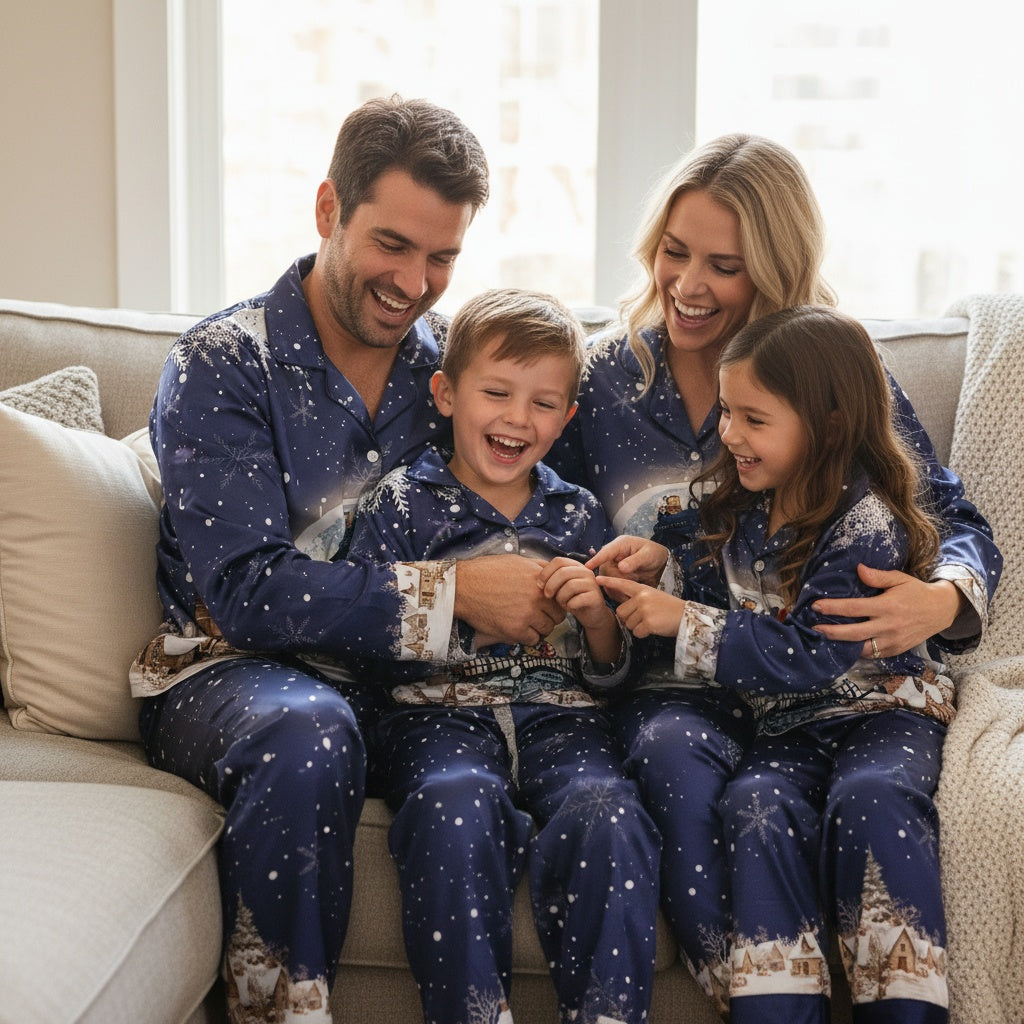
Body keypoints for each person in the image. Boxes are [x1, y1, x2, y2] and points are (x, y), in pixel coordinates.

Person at [127, 96, 564, 1024]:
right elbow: (244, 591)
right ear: (330, 209)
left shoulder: (457, 378)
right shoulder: (222, 363)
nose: (414, 282)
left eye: (442, 257)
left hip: (409, 695)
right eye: (392, 245)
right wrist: (451, 595)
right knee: (308, 727)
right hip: (234, 680)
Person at [544, 133, 1000, 1016]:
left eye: (725, 265)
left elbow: (949, 517)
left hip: (828, 671)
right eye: (675, 253)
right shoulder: (602, 377)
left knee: (856, 795)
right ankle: (760, 993)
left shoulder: (830, 369)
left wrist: (940, 599)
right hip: (674, 678)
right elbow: (544, 513)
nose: (688, 285)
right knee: (671, 754)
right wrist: (629, 572)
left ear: (776, 271)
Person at [597, 304, 956, 1022]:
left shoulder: (864, 522)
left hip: (881, 711)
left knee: (873, 799)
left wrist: (683, 620)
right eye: (727, 413)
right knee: (750, 805)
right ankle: (779, 1004)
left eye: (753, 420)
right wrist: (663, 567)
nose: (729, 435)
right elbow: (706, 574)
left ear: (826, 424)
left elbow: (811, 654)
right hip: (788, 726)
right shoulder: (744, 499)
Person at [340, 287, 660, 1024]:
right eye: (496, 393)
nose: (518, 418)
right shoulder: (399, 505)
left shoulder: (577, 512)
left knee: (610, 812)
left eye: (544, 403)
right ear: (447, 394)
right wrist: (454, 611)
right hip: (435, 720)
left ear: (567, 418)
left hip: (562, 719)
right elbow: (365, 634)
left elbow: (612, 673)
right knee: (455, 804)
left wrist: (597, 620)